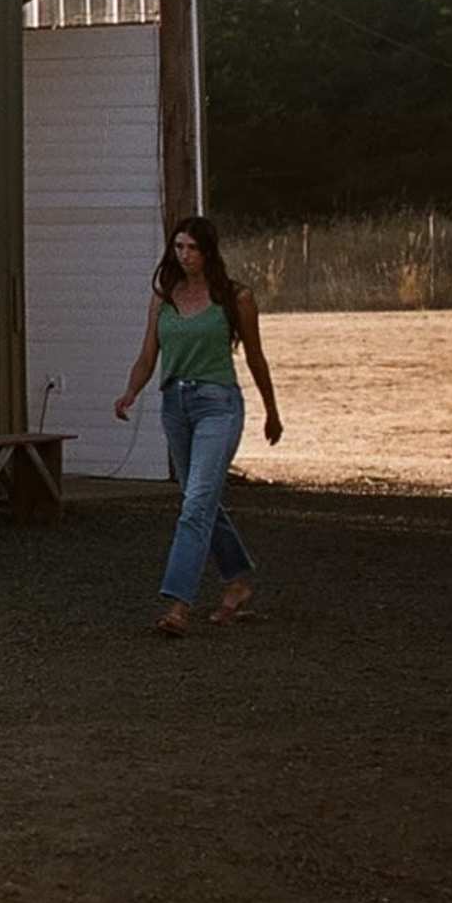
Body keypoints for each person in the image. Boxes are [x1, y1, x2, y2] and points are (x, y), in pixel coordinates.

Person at [113, 214, 284, 634]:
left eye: (192, 248)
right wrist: (131, 392)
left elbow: (256, 357)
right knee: (198, 499)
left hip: (218, 406)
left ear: (208, 252)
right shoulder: (164, 299)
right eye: (178, 247)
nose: (184, 255)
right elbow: (148, 356)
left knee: (194, 506)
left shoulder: (235, 298)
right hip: (176, 405)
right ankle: (238, 582)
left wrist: (272, 410)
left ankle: (177, 606)